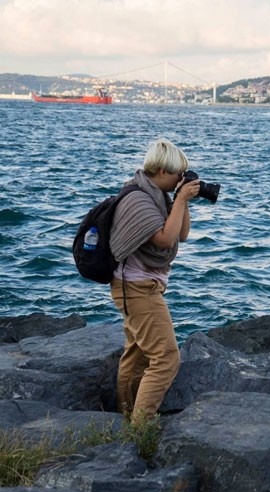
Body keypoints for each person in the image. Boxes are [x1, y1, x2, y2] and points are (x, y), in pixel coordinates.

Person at [108, 138, 201, 425]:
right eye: (177, 175)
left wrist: (181, 202)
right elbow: (164, 240)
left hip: (138, 285)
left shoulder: (158, 195)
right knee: (166, 359)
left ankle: (126, 418)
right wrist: (181, 199)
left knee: (137, 355)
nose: (179, 180)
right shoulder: (138, 198)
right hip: (136, 288)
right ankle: (141, 427)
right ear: (161, 171)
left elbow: (181, 234)